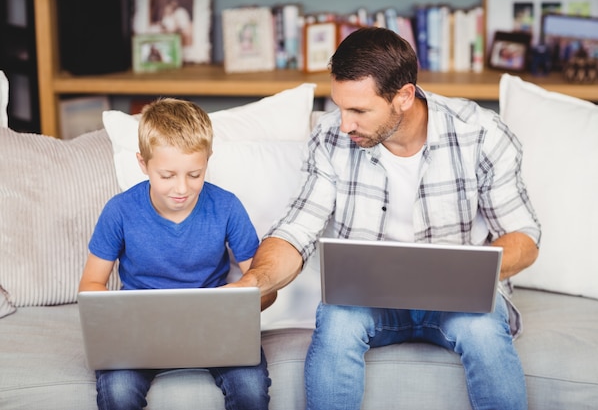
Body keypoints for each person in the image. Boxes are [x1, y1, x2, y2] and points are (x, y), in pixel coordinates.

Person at [225, 27, 541, 410]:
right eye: (340, 107)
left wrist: (461, 274)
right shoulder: (329, 137)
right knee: (337, 319)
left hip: (458, 299)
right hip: (368, 301)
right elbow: (297, 230)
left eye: (359, 110)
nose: (344, 124)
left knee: (482, 327)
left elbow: (522, 236)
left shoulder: (480, 133)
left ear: (404, 97)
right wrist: (254, 283)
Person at [79, 98, 274, 410]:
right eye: (167, 175)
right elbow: (91, 285)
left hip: (215, 328)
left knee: (250, 389)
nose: (181, 188)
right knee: (117, 393)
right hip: (138, 332)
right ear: (143, 164)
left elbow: (264, 281)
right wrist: (114, 319)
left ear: (208, 160)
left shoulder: (226, 207)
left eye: (194, 174)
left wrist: (241, 303)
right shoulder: (119, 210)